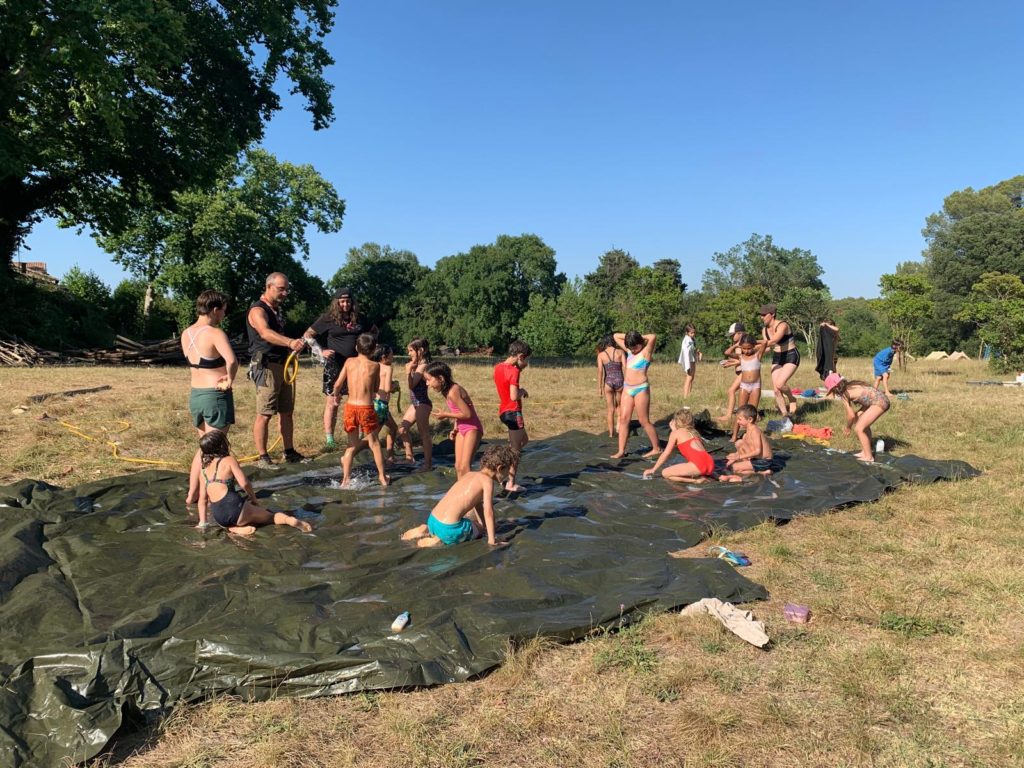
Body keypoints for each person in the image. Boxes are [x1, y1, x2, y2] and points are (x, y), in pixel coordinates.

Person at [246, 272, 308, 468]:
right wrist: (290, 342)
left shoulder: (276, 310)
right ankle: (263, 457)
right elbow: (265, 333)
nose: (285, 293)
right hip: (266, 366)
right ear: (268, 287)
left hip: (281, 365)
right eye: (281, 289)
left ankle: (289, 452)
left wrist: (290, 350)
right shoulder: (258, 310)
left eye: (286, 289)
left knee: (286, 412)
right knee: (264, 413)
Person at [303, 287, 378, 450]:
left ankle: (359, 436)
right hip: (334, 365)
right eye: (342, 301)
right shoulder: (327, 318)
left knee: (359, 400)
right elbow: (307, 335)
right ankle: (330, 438)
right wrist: (320, 351)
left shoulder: (360, 318)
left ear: (352, 302)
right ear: (336, 302)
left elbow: (374, 331)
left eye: (348, 301)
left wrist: (369, 347)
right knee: (333, 402)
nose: (345, 304)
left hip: (357, 365)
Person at [196, 430, 312, 535]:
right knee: (270, 517)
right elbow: (244, 483)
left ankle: (235, 528)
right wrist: (253, 498)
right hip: (235, 507)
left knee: (237, 520)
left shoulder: (203, 471)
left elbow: (202, 500)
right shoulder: (228, 460)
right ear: (223, 445)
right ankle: (290, 520)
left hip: (220, 516)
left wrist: (203, 522)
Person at [182, 290, 238, 506]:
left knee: (204, 447)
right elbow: (231, 361)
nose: (224, 315)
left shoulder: (187, 333)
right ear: (215, 310)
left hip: (196, 395)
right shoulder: (215, 333)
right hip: (214, 396)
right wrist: (229, 379)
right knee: (214, 450)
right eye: (223, 311)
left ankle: (192, 493)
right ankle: (210, 495)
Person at [401, 444, 517, 547]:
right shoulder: (487, 481)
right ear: (499, 468)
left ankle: (426, 529)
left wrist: (485, 525)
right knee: (478, 530)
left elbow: (477, 504)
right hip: (449, 530)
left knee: (479, 526)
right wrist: (492, 539)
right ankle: (437, 540)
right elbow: (488, 512)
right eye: (507, 471)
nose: (507, 475)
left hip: (433, 520)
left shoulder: (470, 474)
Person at [334, 333, 389, 488]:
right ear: (373, 350)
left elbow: (337, 384)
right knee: (374, 443)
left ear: (356, 347)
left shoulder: (349, 362)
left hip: (351, 407)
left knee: (351, 445)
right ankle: (382, 477)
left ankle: (345, 480)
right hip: (366, 408)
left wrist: (336, 396)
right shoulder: (375, 366)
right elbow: (376, 388)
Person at [424, 361, 483, 478]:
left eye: (429, 379)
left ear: (441, 378)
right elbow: (458, 412)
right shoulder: (446, 391)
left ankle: (470, 488)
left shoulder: (453, 391)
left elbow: (467, 414)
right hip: (462, 428)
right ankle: (460, 487)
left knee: (465, 466)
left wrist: (445, 414)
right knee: (458, 466)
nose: (427, 383)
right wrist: (455, 428)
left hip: (472, 428)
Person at [610, 330, 660, 459]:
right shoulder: (630, 350)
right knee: (623, 419)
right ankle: (621, 451)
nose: (632, 350)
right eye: (630, 348)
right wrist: (630, 337)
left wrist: (638, 337)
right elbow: (615, 336)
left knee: (644, 421)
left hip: (641, 389)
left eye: (634, 347)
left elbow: (652, 336)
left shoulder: (646, 351)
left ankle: (656, 448)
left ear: (640, 343)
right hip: (627, 388)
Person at [824, 372, 890, 462]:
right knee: (862, 424)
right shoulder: (851, 385)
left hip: (879, 403)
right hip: (879, 400)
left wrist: (848, 427)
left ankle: (868, 457)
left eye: (832, 391)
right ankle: (865, 451)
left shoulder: (844, 394)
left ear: (836, 388)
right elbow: (868, 397)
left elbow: (850, 415)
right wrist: (859, 413)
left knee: (859, 429)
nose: (834, 394)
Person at [493, 340, 532, 492]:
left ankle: (503, 466)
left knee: (524, 440)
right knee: (516, 451)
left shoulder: (498, 367)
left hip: (503, 411)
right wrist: (523, 391)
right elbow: (514, 396)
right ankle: (510, 482)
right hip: (513, 412)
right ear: (520, 356)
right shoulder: (514, 371)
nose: (527, 364)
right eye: (527, 360)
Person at [643, 408, 715, 483]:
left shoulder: (675, 433)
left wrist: (653, 469)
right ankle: (709, 475)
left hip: (699, 465)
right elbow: (684, 445)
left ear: (676, 421)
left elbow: (666, 453)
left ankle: (696, 480)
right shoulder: (694, 433)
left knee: (665, 473)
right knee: (696, 465)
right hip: (710, 464)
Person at [759, 303, 800, 421]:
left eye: (764, 315)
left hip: (791, 355)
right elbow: (767, 347)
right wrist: (750, 353)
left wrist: (752, 342)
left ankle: (792, 399)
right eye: (760, 315)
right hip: (777, 357)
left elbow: (774, 340)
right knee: (776, 390)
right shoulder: (764, 330)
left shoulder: (783, 325)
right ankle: (785, 416)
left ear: (772, 314)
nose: (761, 317)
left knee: (780, 384)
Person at [398, 337, 433, 470]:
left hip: (422, 403)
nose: (409, 353)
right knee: (402, 429)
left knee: (424, 434)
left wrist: (408, 372)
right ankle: (409, 458)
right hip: (415, 404)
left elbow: (412, 385)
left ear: (421, 350)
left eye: (411, 350)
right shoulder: (417, 364)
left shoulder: (423, 366)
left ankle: (428, 464)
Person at [725, 334, 768, 441]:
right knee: (740, 412)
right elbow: (727, 353)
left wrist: (754, 340)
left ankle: (750, 435)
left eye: (749, 348)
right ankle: (734, 435)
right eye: (744, 348)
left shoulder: (758, 355)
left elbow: (765, 342)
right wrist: (736, 345)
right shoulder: (740, 356)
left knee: (752, 413)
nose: (747, 351)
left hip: (755, 386)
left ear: (753, 346)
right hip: (744, 386)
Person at [719, 404, 776, 481]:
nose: (737, 422)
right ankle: (749, 465)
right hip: (756, 458)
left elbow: (757, 451)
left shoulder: (755, 431)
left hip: (764, 462)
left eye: (739, 419)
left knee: (734, 468)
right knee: (739, 443)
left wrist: (739, 457)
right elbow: (744, 447)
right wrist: (735, 457)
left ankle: (762, 472)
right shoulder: (748, 431)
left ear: (750, 419)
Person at [371, 344, 403, 463]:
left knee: (393, 428)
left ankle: (390, 455)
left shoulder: (373, 366)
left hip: (375, 402)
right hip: (381, 405)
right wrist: (395, 385)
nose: (393, 356)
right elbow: (387, 388)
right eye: (391, 354)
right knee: (373, 437)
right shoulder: (388, 368)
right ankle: (352, 452)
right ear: (384, 357)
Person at [717, 322, 747, 425]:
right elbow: (737, 358)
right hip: (741, 372)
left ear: (740, 333)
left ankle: (728, 415)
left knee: (731, 391)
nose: (731, 337)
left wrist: (730, 363)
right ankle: (754, 416)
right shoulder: (737, 344)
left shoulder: (744, 344)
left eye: (732, 335)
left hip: (745, 371)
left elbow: (745, 360)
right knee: (745, 395)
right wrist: (729, 362)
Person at [596, 336, 625, 438]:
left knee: (610, 409)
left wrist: (599, 387)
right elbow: (625, 367)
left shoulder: (601, 355)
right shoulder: (620, 352)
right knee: (619, 406)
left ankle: (611, 434)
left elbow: (600, 371)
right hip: (620, 381)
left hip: (608, 382)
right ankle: (619, 429)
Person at [677, 324, 700, 398]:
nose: (693, 334)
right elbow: (685, 352)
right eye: (691, 333)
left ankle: (689, 394)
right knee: (689, 377)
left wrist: (697, 351)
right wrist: (687, 366)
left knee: (692, 377)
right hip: (688, 360)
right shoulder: (687, 340)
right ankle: (685, 397)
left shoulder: (691, 339)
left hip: (692, 359)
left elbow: (692, 349)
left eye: (694, 332)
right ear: (687, 332)